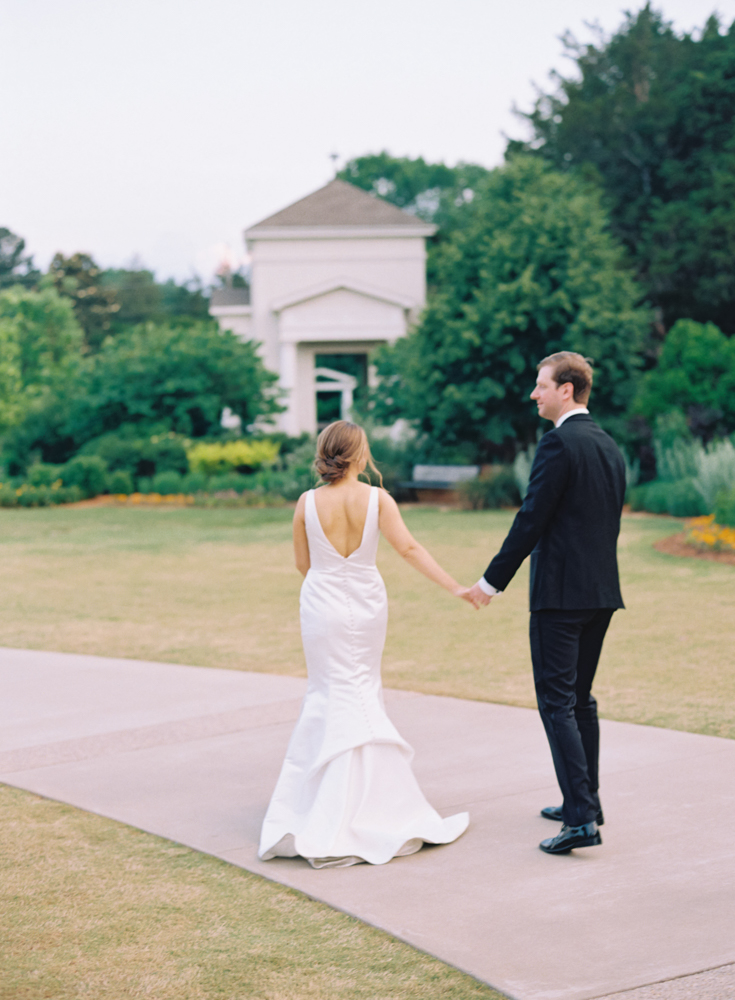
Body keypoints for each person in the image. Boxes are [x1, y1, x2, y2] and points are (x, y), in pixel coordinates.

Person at [258, 420, 473, 868]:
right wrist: (455, 587)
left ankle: (320, 804)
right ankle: (373, 803)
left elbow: (304, 563)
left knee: (327, 693)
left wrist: (329, 592)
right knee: (361, 689)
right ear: (358, 455)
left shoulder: (306, 502)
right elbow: (409, 549)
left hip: (321, 605)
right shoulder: (379, 499)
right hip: (367, 604)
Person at [468, 353, 626, 855]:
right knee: (580, 700)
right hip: (601, 592)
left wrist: (491, 582)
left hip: (560, 597)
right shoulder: (607, 444)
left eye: (541, 386)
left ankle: (580, 820)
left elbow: (531, 518)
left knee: (557, 704)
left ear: (567, 389)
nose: (534, 394)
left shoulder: (558, 443)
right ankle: (587, 801)